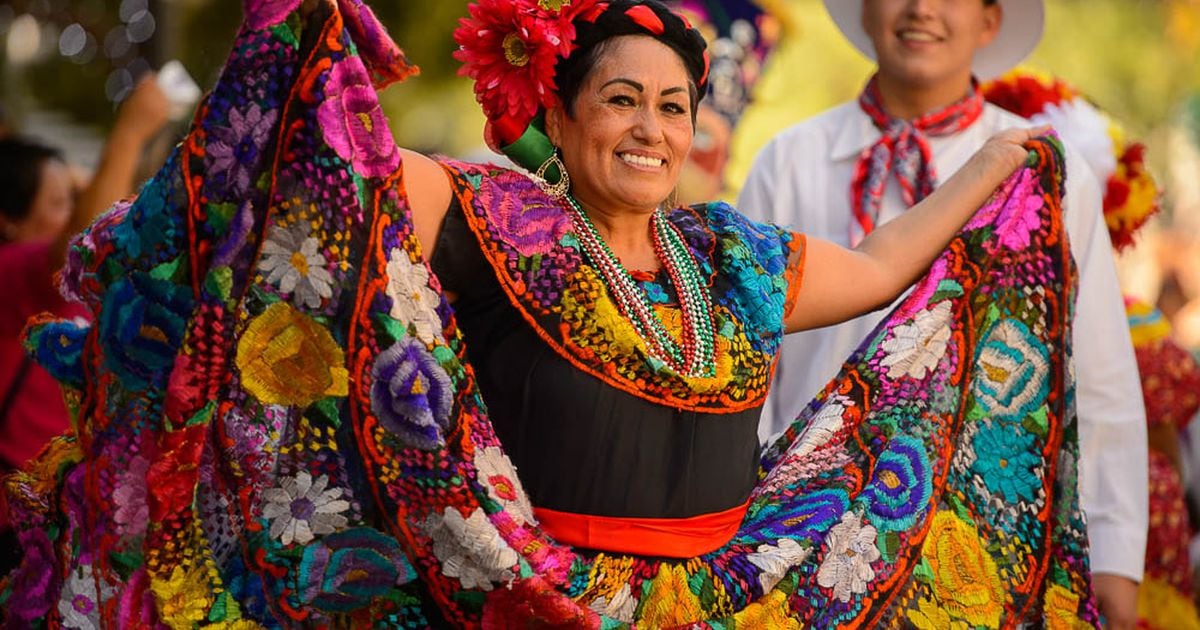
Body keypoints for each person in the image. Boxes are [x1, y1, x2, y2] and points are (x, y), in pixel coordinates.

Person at [2, 0, 1095, 626]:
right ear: (562, 121)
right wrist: (317, 45)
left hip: (721, 603)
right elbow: (346, 166)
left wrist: (988, 168)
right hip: (529, 606)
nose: (652, 129)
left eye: (673, 106)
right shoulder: (488, 216)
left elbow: (878, 262)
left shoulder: (735, 258)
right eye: (621, 100)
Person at [738, 1, 1148, 626]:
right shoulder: (788, 160)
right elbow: (749, 357)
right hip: (800, 535)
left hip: (984, 543)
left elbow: (1097, 374)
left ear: (988, 21)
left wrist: (1116, 557)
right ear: (868, 12)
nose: (921, 8)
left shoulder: (1045, 171)